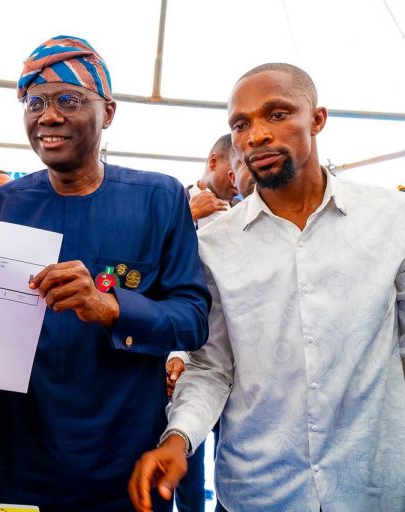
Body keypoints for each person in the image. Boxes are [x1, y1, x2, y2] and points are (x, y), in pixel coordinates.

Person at [129, 63, 405, 512]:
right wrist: (178, 439)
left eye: (276, 114)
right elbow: (211, 367)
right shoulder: (213, 245)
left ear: (317, 119)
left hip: (374, 489)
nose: (255, 135)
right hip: (258, 491)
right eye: (241, 124)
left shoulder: (392, 218)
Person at [0, 35, 211, 511]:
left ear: (108, 112)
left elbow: (193, 318)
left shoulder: (158, 198)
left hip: (126, 459)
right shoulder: (4, 205)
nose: (49, 116)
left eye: (69, 100)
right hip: (23, 456)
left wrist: (112, 307)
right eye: (34, 101)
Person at [188, 134, 237, 228]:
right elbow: (157, 241)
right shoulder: (173, 204)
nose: (238, 181)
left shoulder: (245, 209)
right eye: (235, 171)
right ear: (213, 162)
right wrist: (190, 215)